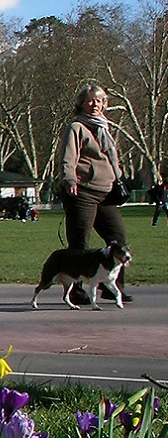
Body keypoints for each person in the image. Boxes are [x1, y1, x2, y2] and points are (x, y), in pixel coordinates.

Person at [59, 83, 133, 304]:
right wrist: (69, 178)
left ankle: (113, 287)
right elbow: (68, 157)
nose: (95, 105)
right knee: (80, 243)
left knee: (117, 238)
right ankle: (76, 291)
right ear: (81, 103)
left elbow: (112, 157)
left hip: (107, 192)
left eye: (99, 101)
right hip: (83, 191)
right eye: (90, 100)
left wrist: (119, 177)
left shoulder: (104, 126)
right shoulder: (77, 127)